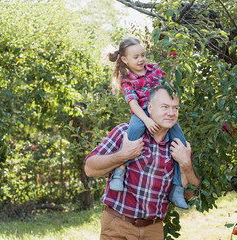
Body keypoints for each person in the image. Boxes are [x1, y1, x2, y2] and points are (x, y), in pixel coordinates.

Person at [84, 85, 200, 240]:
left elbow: (190, 194)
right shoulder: (125, 133)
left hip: (153, 230)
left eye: (175, 108)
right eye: (165, 107)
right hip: (118, 225)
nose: (171, 113)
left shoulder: (179, 147)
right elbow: (90, 168)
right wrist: (123, 155)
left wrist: (186, 165)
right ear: (150, 108)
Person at [107, 37, 188, 209]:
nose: (141, 59)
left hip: (159, 110)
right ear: (124, 59)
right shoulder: (127, 80)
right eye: (135, 57)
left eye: (143, 55)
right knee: (134, 132)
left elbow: (167, 87)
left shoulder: (154, 70)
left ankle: (176, 188)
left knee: (179, 142)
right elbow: (133, 103)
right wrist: (146, 120)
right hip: (142, 112)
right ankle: (120, 171)